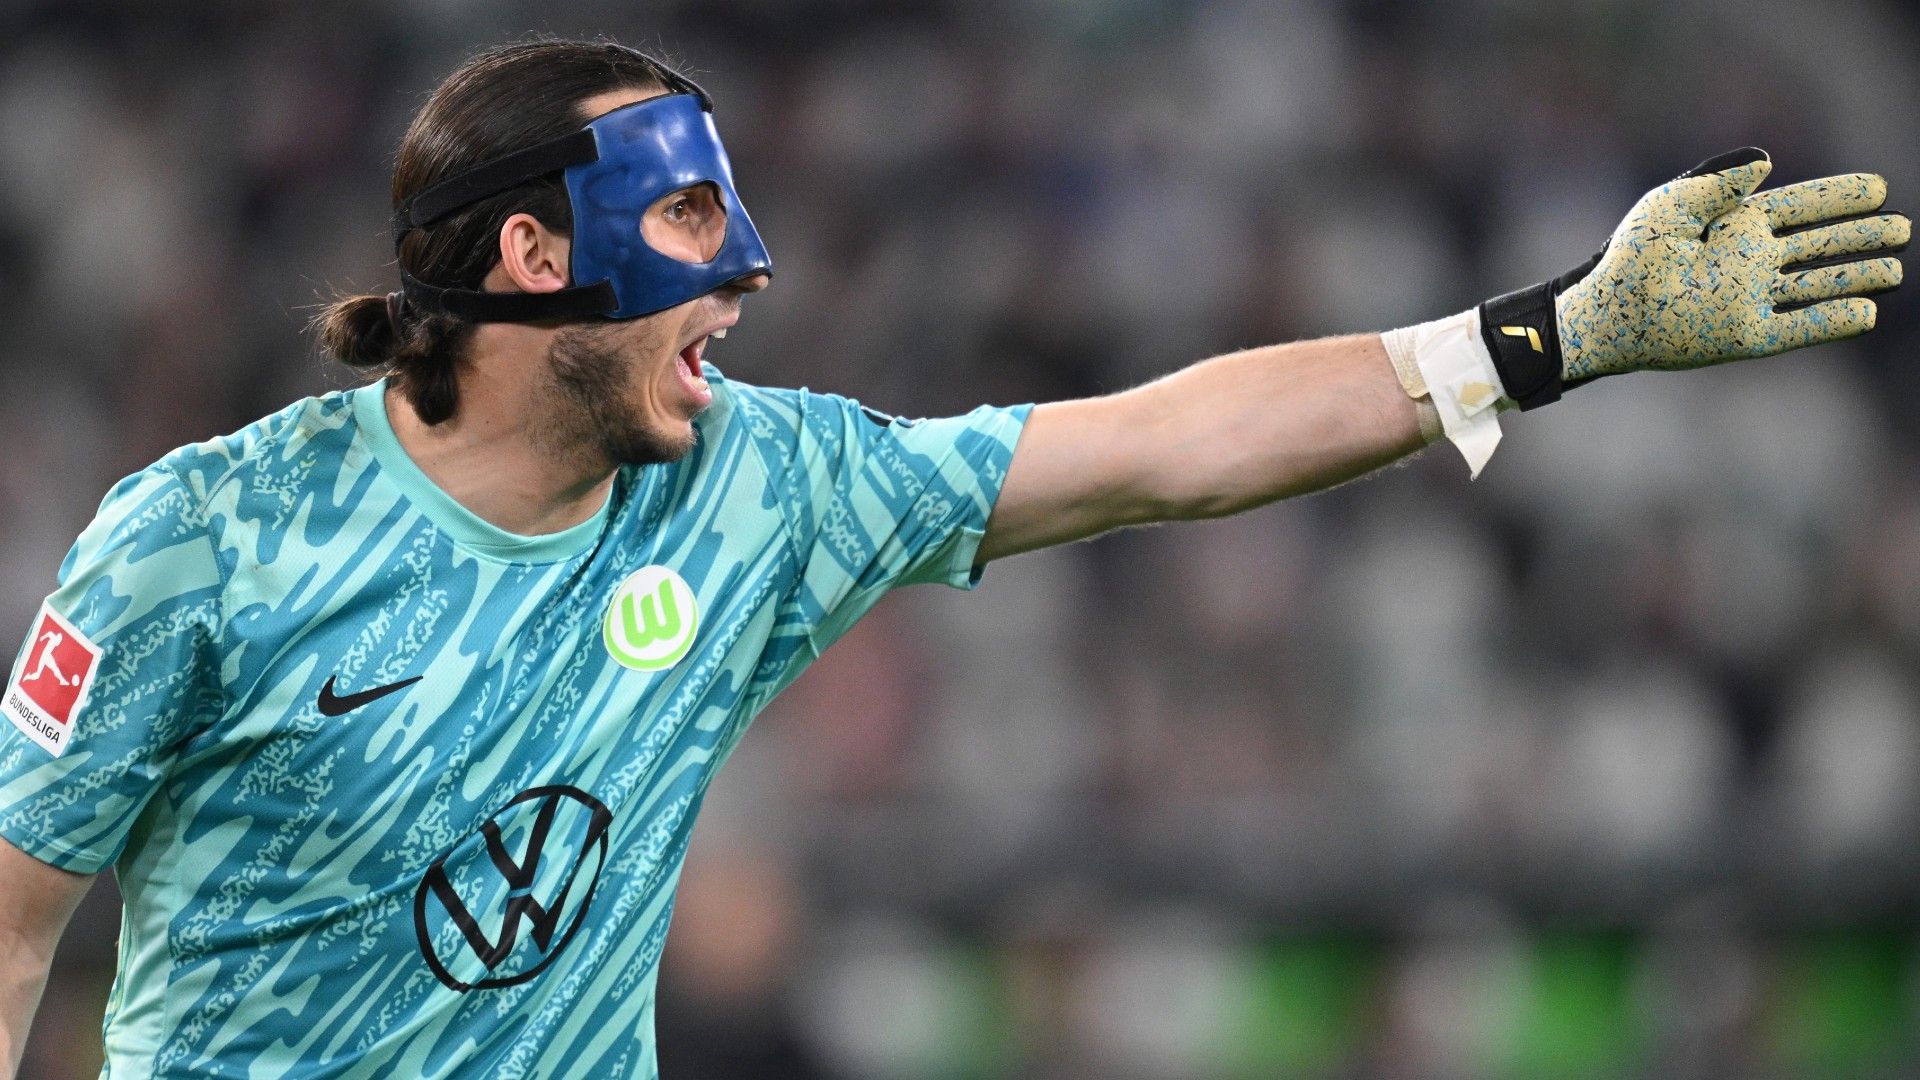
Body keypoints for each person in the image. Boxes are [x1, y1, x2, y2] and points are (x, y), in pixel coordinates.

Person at [0, 37, 1904, 1080]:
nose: (745, 267)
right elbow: (10, 929)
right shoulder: (207, 541)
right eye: (686, 213)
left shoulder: (761, 487)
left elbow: (1158, 448)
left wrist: (1540, 333)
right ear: (528, 259)